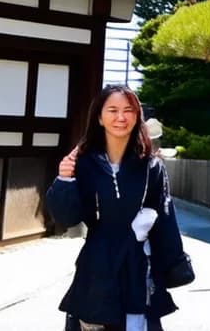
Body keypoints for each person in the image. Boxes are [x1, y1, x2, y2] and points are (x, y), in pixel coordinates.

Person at [46, 84, 187, 331]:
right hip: (97, 263)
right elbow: (66, 217)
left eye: (128, 110)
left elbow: (165, 219)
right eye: (112, 110)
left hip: (139, 263)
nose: (121, 117)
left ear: (137, 117)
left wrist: (174, 265)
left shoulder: (151, 167)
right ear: (99, 117)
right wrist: (64, 179)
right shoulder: (84, 163)